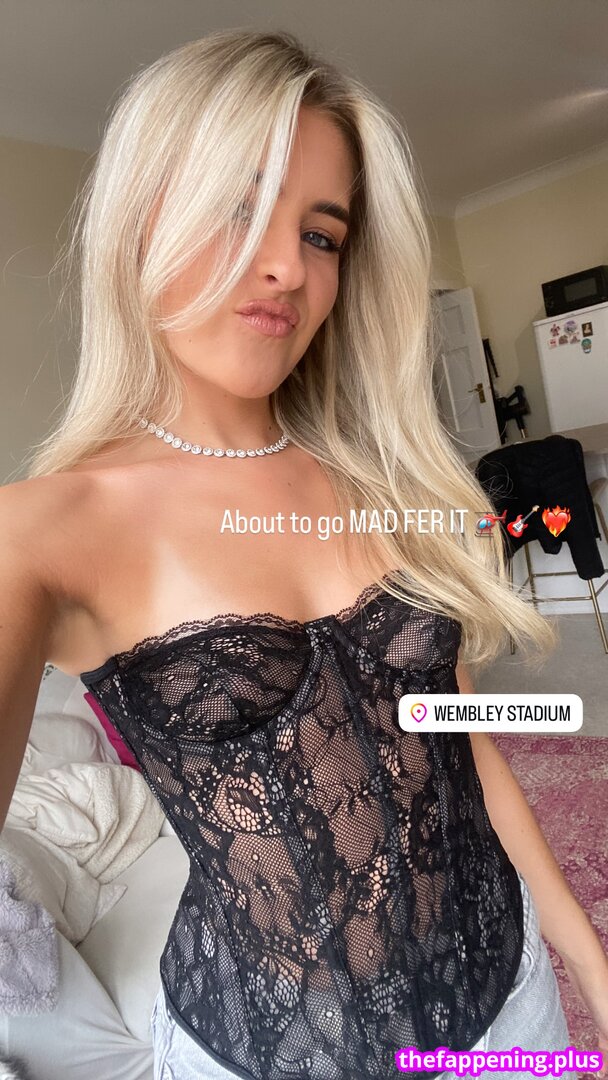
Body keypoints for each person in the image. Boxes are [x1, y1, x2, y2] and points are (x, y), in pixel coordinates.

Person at [1, 27, 606, 1080]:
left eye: (321, 234)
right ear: (140, 220)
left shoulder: (387, 477)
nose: (285, 265)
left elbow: (460, 739)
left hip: (509, 1014)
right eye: (237, 207)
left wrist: (588, 961)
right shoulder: (43, 531)